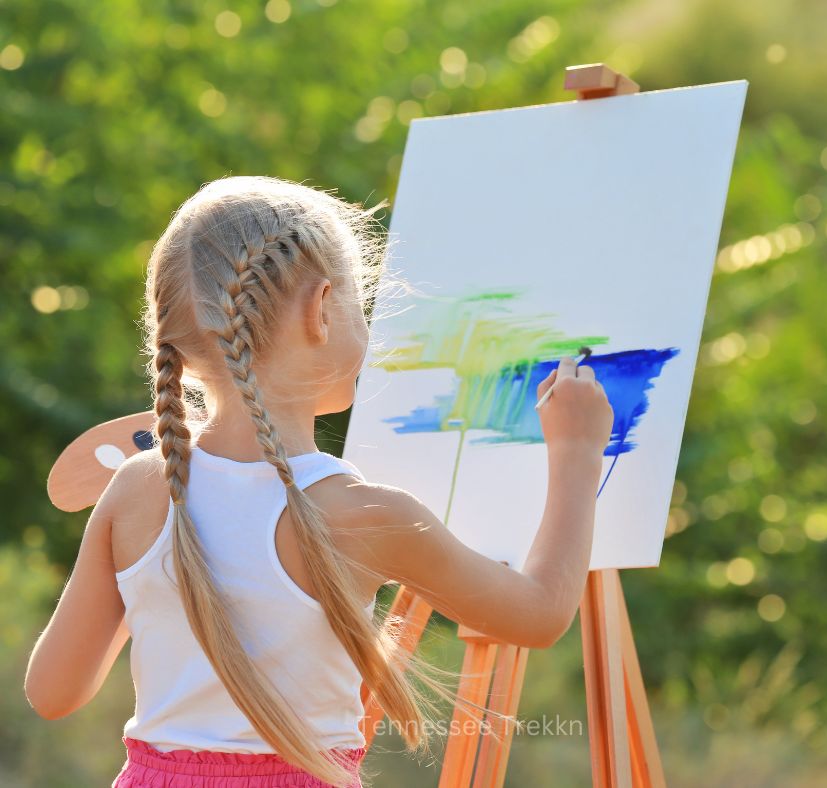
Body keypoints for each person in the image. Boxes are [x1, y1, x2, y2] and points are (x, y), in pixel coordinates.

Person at [24, 175, 614, 787]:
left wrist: (153, 579)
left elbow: (52, 691)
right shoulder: (366, 514)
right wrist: (576, 449)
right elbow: (540, 614)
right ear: (322, 308)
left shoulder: (136, 488)